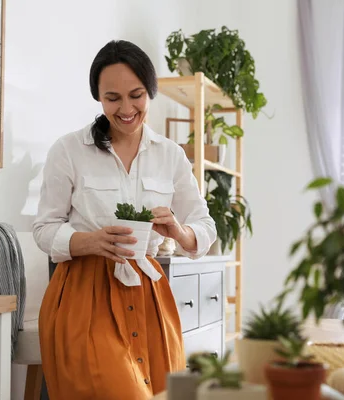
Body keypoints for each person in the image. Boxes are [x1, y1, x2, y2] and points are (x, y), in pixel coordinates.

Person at [33, 39, 217, 400]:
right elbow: (44, 228)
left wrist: (179, 231)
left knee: (166, 393)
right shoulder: (69, 150)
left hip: (149, 294)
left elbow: (205, 226)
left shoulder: (171, 156)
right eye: (112, 98)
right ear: (98, 98)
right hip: (83, 295)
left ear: (150, 92)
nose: (126, 108)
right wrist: (89, 241)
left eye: (136, 95)